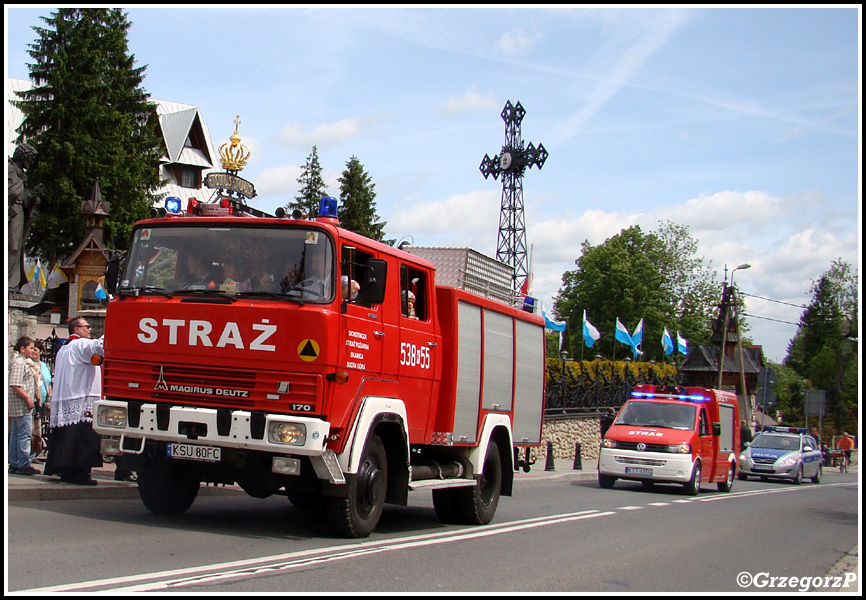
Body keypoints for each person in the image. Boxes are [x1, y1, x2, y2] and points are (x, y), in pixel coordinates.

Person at [44, 318, 105, 485]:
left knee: (67, 438)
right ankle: (80, 473)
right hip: (81, 397)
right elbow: (100, 347)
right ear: (76, 329)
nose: (90, 329)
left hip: (67, 397)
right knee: (82, 438)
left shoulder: (64, 349)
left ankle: (66, 471)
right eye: (87, 326)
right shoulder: (80, 345)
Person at [8, 337, 41, 475]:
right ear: (22, 349)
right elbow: (15, 384)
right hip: (21, 405)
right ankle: (23, 464)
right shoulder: (19, 363)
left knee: (17, 433)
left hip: (20, 405)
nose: (33, 350)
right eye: (31, 348)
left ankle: (15, 462)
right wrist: (28, 398)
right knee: (24, 434)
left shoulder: (24, 362)